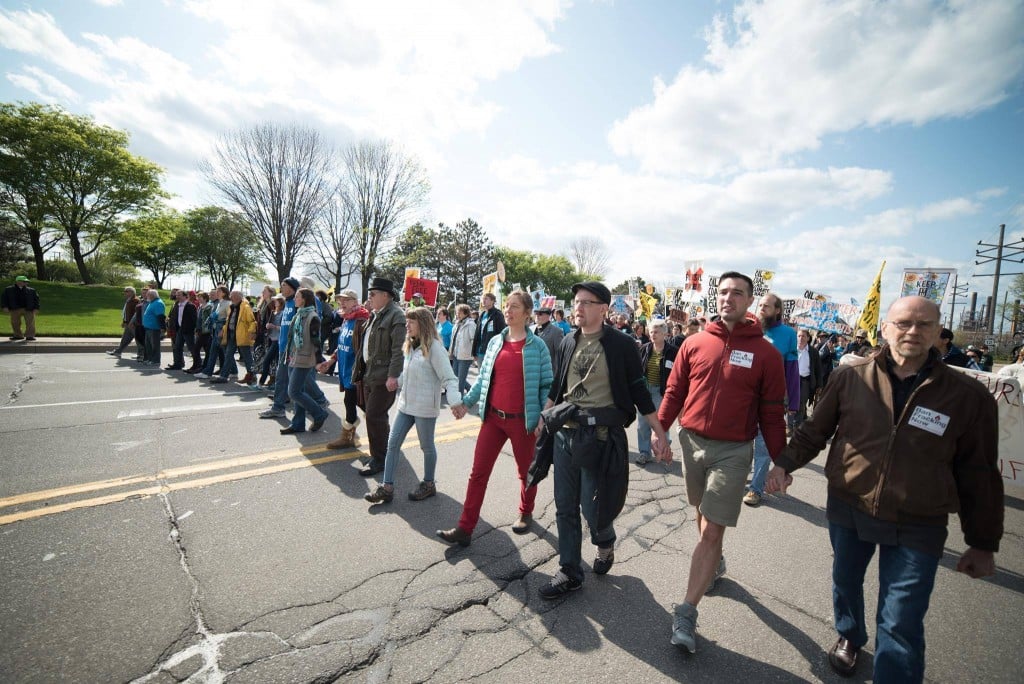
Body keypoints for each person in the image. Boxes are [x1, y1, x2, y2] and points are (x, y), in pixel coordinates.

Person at [766, 296, 1002, 682]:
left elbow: (979, 473)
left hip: (919, 521)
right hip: (849, 505)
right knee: (845, 581)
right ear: (885, 329)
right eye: (904, 323)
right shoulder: (850, 377)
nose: (912, 331)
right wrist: (784, 465)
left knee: (901, 620)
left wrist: (983, 542)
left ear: (940, 334)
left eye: (924, 325)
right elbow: (815, 431)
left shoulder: (967, 396)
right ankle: (849, 635)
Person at [657, 271, 787, 654]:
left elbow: (772, 413)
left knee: (711, 530)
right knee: (700, 511)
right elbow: (675, 390)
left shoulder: (767, 354)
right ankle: (714, 562)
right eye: (724, 292)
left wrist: (781, 463)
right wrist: (660, 430)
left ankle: (686, 613)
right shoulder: (695, 343)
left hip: (733, 452)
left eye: (738, 293)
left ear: (750, 302)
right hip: (691, 442)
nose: (729, 298)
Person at [538, 281, 671, 599]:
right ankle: (570, 570)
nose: (578, 307)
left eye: (585, 302)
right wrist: (543, 422)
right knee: (564, 507)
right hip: (565, 436)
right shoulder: (567, 340)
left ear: (603, 309)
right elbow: (558, 386)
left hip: (598, 439)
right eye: (576, 302)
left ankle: (605, 542)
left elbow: (638, 390)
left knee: (590, 507)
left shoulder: (622, 344)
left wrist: (659, 431)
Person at [436, 291, 553, 546]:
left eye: (514, 307)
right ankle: (465, 528)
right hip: (493, 419)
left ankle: (526, 511)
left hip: (524, 422)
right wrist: (466, 404)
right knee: (478, 473)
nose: (508, 311)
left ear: (527, 312)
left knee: (526, 473)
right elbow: (482, 380)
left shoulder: (538, 346)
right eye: (506, 306)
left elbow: (547, 385)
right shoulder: (495, 343)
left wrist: (544, 415)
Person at [364, 307, 462, 503]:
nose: (406, 325)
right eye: (407, 321)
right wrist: (396, 381)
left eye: (411, 322)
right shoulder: (410, 345)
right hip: (405, 405)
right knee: (392, 444)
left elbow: (450, 379)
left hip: (425, 408)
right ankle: (387, 487)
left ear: (423, 325)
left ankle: (428, 483)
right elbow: (408, 373)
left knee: (426, 447)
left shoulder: (434, 348)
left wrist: (455, 402)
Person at [742, 292, 798, 507]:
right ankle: (741, 479)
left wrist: (793, 402)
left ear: (777, 310)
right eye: (760, 305)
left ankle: (756, 489)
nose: (762, 308)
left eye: (767, 306)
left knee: (763, 446)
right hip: (746, 398)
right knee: (742, 442)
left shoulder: (788, 334)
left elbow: (791, 371)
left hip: (772, 401)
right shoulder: (750, 329)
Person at [353, 277, 406, 476]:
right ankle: (382, 454)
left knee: (375, 415)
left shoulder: (396, 316)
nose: (370, 297)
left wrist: (393, 376)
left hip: (383, 376)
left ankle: (380, 460)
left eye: (373, 294)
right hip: (370, 374)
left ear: (386, 295)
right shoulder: (376, 315)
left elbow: (398, 350)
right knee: (376, 417)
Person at [320, 290, 370, 449]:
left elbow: (366, 348)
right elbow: (342, 345)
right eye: (340, 300)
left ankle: (377, 430)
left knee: (357, 402)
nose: (342, 303)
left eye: (346, 300)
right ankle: (350, 435)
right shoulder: (346, 319)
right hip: (344, 369)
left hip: (357, 371)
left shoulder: (362, 320)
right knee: (352, 401)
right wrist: (331, 361)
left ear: (355, 302)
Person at [278, 288, 330, 434]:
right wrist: (288, 355)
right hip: (293, 357)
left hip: (305, 359)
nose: (295, 299)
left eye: (297, 297)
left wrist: (319, 360)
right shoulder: (298, 314)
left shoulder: (313, 317)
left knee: (293, 392)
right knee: (298, 391)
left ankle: (319, 413)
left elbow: (316, 341)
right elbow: (292, 338)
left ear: (305, 299)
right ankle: (298, 424)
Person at [635, 319, 677, 466]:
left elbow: (677, 373)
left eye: (657, 332)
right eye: (651, 331)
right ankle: (644, 453)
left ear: (665, 333)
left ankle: (664, 450)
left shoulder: (672, 352)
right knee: (642, 423)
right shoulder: (645, 349)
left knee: (661, 422)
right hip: (645, 391)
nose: (653, 334)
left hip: (662, 392)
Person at [258, 278, 300, 417]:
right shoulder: (287, 302)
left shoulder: (297, 303)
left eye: (284, 285)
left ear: (292, 288)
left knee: (303, 381)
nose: (281, 287)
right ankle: (278, 408)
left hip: (293, 349)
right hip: (283, 347)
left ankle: (319, 403)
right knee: (282, 379)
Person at [208, 290, 257, 385]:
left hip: (242, 335)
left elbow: (252, 321)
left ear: (239, 297)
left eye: (234, 296)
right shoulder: (232, 307)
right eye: (231, 296)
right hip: (231, 335)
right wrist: (223, 330)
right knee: (228, 355)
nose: (231, 297)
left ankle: (252, 376)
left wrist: (252, 331)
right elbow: (228, 321)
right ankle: (223, 376)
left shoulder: (246, 307)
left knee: (247, 357)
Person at [195, 287, 231, 379]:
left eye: (219, 291)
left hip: (220, 330)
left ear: (224, 293)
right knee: (218, 351)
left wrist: (223, 330)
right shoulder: (220, 303)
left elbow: (228, 319)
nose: (216, 293)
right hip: (215, 330)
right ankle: (232, 371)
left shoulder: (227, 304)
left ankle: (208, 372)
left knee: (219, 352)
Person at [166, 290, 199, 371]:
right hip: (179, 330)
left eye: (179, 295)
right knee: (177, 347)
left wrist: (194, 329)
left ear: (185, 296)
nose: (177, 297)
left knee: (192, 348)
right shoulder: (177, 305)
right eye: (176, 295)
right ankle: (178, 364)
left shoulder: (190, 306)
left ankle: (197, 365)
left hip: (188, 331)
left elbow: (194, 319)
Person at [449, 303, 477, 394]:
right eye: (457, 312)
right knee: (455, 376)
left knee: (461, 379)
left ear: (465, 313)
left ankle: (459, 398)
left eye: (459, 312)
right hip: (456, 355)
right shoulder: (457, 324)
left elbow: (474, 340)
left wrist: (473, 355)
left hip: (465, 356)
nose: (457, 314)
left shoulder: (471, 324)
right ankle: (471, 390)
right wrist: (450, 352)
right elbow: (453, 340)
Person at [795, 328, 821, 426]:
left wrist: (819, 385)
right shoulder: (792, 349)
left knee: (801, 403)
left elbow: (818, 369)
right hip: (792, 381)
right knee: (789, 402)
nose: (801, 338)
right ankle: (789, 425)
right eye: (799, 336)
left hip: (805, 381)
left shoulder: (813, 352)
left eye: (803, 336)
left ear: (808, 338)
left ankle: (798, 425)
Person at [2, 275, 40, 341]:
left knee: (30, 323)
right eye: (24, 281)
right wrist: (5, 307)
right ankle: (18, 335)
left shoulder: (31, 290)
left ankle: (30, 336)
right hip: (14, 309)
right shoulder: (8, 289)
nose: (26, 283)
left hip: (28, 309)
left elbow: (36, 299)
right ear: (18, 282)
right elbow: (4, 299)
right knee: (15, 323)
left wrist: (36, 308)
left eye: (26, 281)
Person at [258, 295, 284, 386]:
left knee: (267, 361)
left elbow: (284, 328)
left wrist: (273, 326)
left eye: (276, 300)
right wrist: (267, 326)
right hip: (272, 340)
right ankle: (275, 383)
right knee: (276, 363)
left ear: (281, 302)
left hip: (277, 340)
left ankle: (261, 383)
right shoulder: (274, 312)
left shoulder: (283, 313)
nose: (274, 302)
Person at [107, 287, 141, 357]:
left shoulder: (135, 301)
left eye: (126, 291)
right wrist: (124, 321)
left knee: (139, 340)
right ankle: (118, 352)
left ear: (132, 292)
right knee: (125, 339)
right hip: (128, 324)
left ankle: (141, 354)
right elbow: (126, 312)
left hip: (134, 325)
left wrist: (133, 323)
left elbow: (136, 314)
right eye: (125, 291)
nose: (125, 293)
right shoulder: (129, 300)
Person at [473, 292, 505, 363]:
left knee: (490, 373)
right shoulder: (482, 315)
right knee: (481, 373)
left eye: (486, 299)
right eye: (483, 299)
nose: (483, 301)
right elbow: (477, 333)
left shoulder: (498, 314)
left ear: (492, 301)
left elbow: (502, 333)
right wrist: (474, 351)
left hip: (492, 352)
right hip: (480, 351)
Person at [141, 289, 166, 366]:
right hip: (149, 328)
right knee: (148, 345)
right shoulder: (152, 302)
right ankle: (150, 359)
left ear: (152, 295)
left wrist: (162, 328)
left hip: (154, 328)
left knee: (154, 345)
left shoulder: (158, 303)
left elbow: (160, 316)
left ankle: (156, 360)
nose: (146, 296)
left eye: (147, 294)